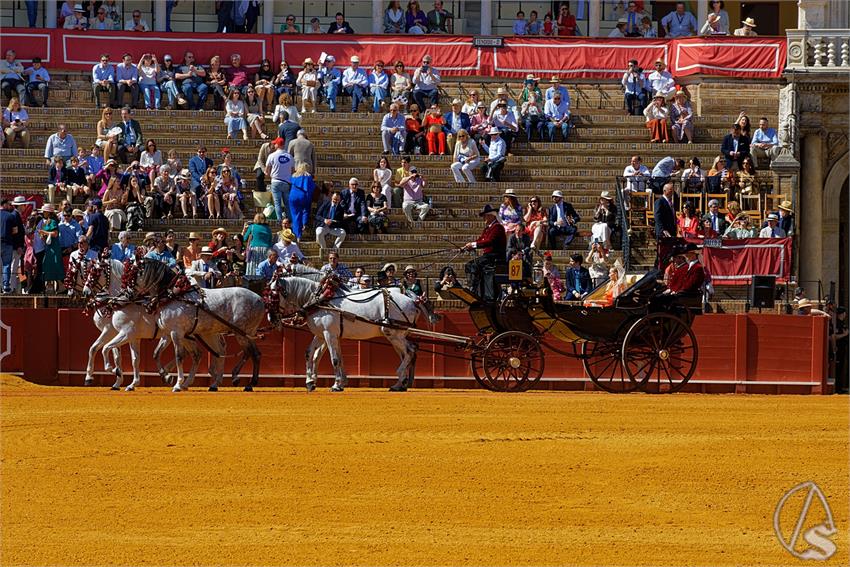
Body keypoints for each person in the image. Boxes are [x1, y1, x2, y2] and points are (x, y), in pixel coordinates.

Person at [462, 204, 507, 300]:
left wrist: (473, 245)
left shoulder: (498, 228)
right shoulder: (488, 229)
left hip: (495, 256)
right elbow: (480, 240)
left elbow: (489, 241)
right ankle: (478, 289)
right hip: (488, 256)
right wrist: (468, 246)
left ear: (491, 216)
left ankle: (474, 289)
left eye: (485, 216)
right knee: (470, 265)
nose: (484, 218)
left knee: (473, 265)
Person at [265, 137, 293, 223]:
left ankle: (279, 221)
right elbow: (293, 171)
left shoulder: (272, 156)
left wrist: (269, 175)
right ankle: (290, 221)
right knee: (287, 204)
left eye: (275, 143)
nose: (274, 145)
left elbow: (267, 171)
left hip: (276, 181)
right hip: (286, 182)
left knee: (277, 203)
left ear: (277, 145)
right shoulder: (290, 156)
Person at [38, 205, 64, 294]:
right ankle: (51, 286)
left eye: (44, 211)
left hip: (53, 247)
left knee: (53, 265)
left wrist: (43, 232)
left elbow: (55, 233)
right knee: (49, 265)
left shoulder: (52, 221)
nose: (43, 213)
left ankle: (57, 286)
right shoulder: (48, 222)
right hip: (49, 247)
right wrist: (43, 236)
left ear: (48, 212)